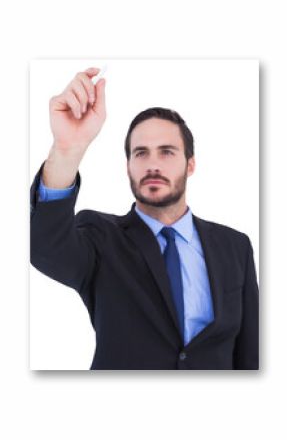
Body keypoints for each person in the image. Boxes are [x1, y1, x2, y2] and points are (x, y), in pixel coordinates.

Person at [30, 67, 259, 370]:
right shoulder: (101, 237)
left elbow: (251, 355)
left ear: (190, 165)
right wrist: (67, 150)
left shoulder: (235, 246)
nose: (153, 164)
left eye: (166, 152)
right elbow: (45, 247)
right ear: (128, 167)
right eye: (141, 153)